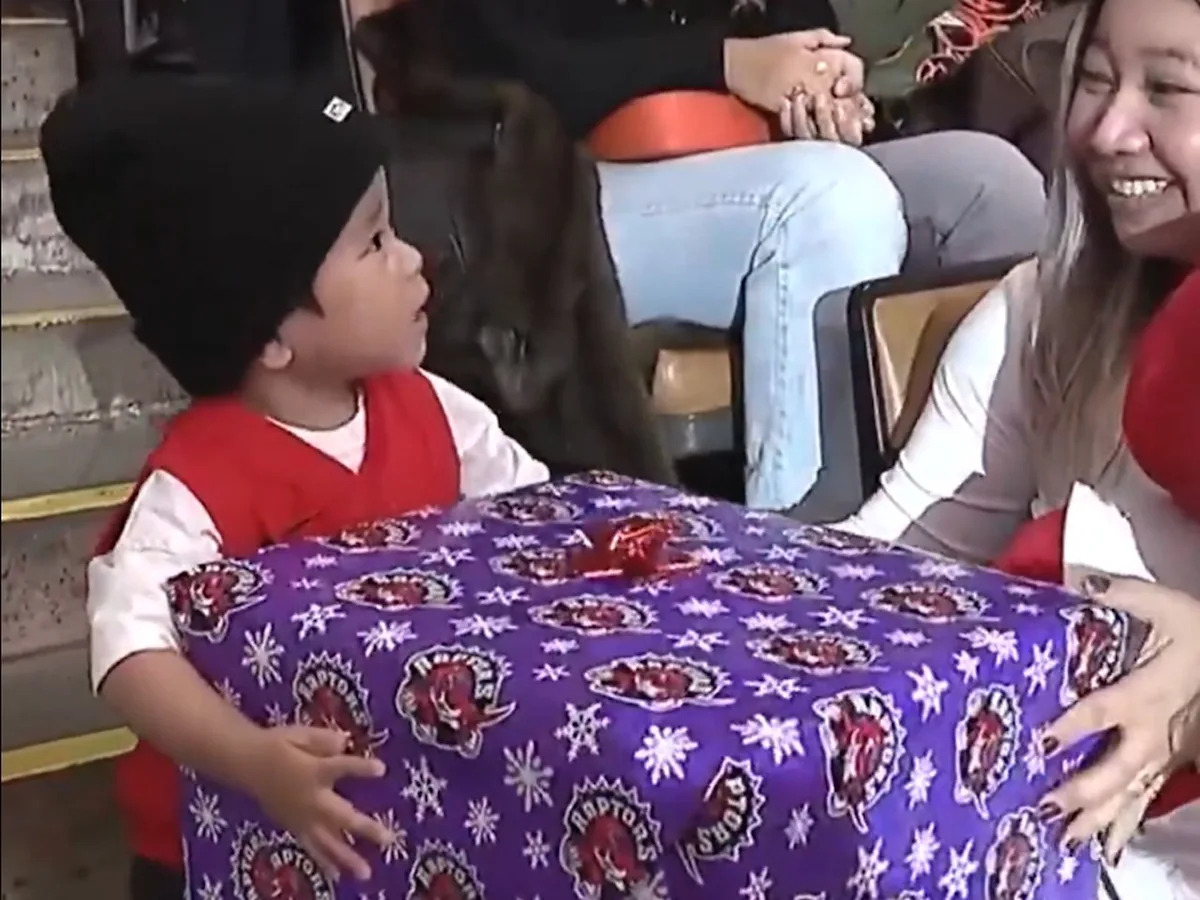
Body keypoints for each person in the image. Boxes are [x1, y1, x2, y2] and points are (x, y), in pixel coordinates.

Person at [39, 74, 548, 900]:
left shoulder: (434, 411)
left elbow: (535, 514)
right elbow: (130, 652)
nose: (413, 256)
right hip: (211, 847)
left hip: (381, 814)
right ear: (272, 332)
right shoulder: (204, 479)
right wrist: (250, 761)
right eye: (375, 243)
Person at [363, 0, 1047, 511]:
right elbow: (490, 53)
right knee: (834, 200)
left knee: (990, 184)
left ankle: (965, 532)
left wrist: (823, 79)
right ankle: (799, 575)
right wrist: (724, 62)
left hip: (742, 157)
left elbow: (797, 17)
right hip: (540, 183)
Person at [835, 0, 1199, 893]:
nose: (1110, 129)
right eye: (1095, 80)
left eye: (1169, 90)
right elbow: (878, 568)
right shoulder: (1037, 315)